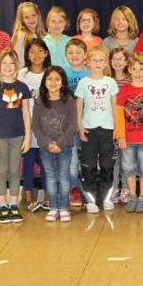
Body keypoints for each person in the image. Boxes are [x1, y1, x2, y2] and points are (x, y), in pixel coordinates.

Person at [0, 49, 32, 224]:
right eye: (4, 63)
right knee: (1, 170)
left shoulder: (22, 87)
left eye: (12, 63)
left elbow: (26, 114)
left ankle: (13, 204)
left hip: (17, 136)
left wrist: (28, 137)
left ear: (17, 66)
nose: (8, 66)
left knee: (14, 171)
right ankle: (2, 205)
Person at [75, 45, 119, 213]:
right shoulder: (83, 83)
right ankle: (90, 200)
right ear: (87, 62)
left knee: (107, 165)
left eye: (101, 60)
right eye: (94, 60)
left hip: (107, 129)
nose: (97, 63)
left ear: (106, 62)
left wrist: (117, 127)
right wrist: (80, 127)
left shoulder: (111, 82)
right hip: (89, 130)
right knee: (89, 165)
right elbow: (79, 107)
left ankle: (107, 198)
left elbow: (115, 106)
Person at [116, 52, 143, 213]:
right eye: (134, 69)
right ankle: (133, 196)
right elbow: (119, 114)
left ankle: (142, 196)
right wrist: (121, 136)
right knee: (128, 168)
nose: (137, 72)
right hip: (128, 139)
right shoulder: (124, 90)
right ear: (129, 69)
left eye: (141, 69)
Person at [32, 66, 77, 223]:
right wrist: (47, 143)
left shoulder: (69, 101)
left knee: (63, 177)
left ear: (62, 82)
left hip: (65, 147)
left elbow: (72, 124)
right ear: (44, 81)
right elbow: (35, 126)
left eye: (57, 79)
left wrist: (60, 143)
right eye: (50, 79)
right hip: (46, 148)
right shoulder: (39, 102)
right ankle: (53, 207)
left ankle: (63, 207)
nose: (53, 82)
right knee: (50, 177)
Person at [18, 38, 51, 213]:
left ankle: (47, 196)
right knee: (28, 161)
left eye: (40, 51)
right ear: (27, 55)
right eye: (32, 51)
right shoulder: (21, 74)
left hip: (46, 126)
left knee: (46, 162)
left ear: (46, 53)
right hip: (26, 125)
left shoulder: (50, 73)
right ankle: (29, 197)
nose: (36, 55)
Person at [64, 38, 89, 207]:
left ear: (85, 54)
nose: (74, 55)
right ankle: (74, 189)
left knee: (87, 161)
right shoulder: (62, 73)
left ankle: (89, 189)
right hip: (69, 125)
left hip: (88, 124)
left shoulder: (90, 73)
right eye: (70, 52)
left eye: (78, 52)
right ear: (66, 55)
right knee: (72, 163)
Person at [107, 46, 131, 204]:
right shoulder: (107, 80)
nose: (117, 62)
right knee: (114, 159)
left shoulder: (131, 80)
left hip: (128, 125)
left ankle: (127, 188)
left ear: (126, 61)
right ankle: (115, 188)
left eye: (120, 59)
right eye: (114, 59)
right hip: (111, 124)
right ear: (110, 61)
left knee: (127, 158)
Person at [44, 6, 72, 71]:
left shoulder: (70, 41)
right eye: (53, 21)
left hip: (67, 75)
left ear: (65, 23)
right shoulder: (43, 42)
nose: (56, 25)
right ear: (48, 23)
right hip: (49, 75)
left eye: (60, 21)